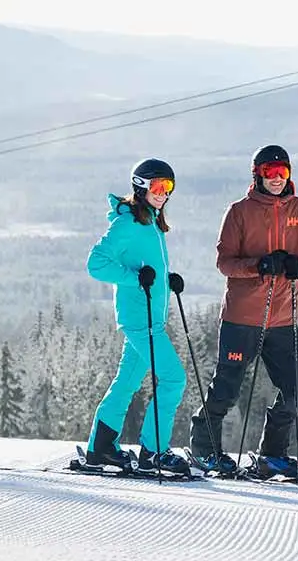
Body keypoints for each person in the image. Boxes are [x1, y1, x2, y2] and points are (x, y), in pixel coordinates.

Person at [188, 144, 298, 481]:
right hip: (242, 318)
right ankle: (205, 450)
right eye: (269, 172)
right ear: (257, 175)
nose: (277, 179)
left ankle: (273, 456)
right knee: (227, 389)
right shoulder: (239, 212)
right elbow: (224, 263)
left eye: (283, 172)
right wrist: (259, 266)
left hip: (283, 319)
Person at [83, 157, 190, 475]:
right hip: (139, 319)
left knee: (127, 381)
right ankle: (153, 452)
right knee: (174, 378)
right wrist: (135, 278)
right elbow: (96, 263)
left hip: (149, 317)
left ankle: (100, 447)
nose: (164, 193)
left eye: (168, 187)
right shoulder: (128, 222)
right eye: (158, 186)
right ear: (141, 186)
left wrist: (166, 279)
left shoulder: (153, 221)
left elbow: (146, 266)